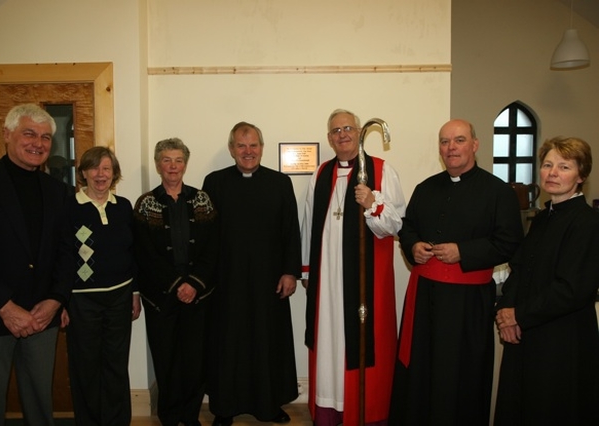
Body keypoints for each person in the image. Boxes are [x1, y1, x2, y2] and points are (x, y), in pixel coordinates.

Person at [391, 118, 524, 425]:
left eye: (459, 140)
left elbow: (510, 243)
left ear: (475, 145)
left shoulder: (498, 192)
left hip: (468, 302)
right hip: (425, 298)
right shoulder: (426, 188)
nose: (451, 148)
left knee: (460, 373)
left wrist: (462, 252)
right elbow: (408, 227)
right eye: (445, 142)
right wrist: (413, 247)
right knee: (421, 369)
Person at [0, 103, 72, 425]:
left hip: (41, 318)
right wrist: (6, 308)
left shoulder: (60, 192)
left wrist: (55, 300)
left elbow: (68, 252)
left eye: (46, 137)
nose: (38, 143)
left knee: (40, 408)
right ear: (7, 135)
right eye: (29, 133)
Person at [300, 109, 406, 425]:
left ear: (359, 131)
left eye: (347, 128)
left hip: (365, 284)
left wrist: (372, 203)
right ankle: (328, 410)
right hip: (326, 283)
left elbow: (397, 225)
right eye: (335, 130)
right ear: (329, 137)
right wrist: (307, 272)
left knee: (361, 340)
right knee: (328, 340)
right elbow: (308, 225)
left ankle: (366, 412)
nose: (342, 134)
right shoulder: (320, 174)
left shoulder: (383, 170)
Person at [494, 136, 599, 425]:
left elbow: (572, 289)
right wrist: (505, 313)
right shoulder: (541, 219)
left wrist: (519, 315)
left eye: (564, 167)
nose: (553, 173)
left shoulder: (588, 223)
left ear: (582, 175)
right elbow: (519, 269)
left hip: (563, 340)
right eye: (548, 165)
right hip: (527, 331)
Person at [202, 122, 301, 426]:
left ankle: (268, 405)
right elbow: (205, 235)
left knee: (266, 341)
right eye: (241, 146)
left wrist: (290, 273)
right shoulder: (214, 182)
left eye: (254, 145)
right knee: (227, 343)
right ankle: (224, 407)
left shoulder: (280, 183)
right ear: (232, 149)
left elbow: (290, 232)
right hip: (226, 280)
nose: (248, 151)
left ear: (262, 147)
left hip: (268, 280)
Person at [134, 138, 218, 426]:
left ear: (185, 164)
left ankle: (190, 415)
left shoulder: (202, 199)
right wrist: (176, 284)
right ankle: (169, 417)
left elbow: (213, 248)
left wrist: (193, 284)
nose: (173, 166)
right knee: (166, 359)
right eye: (167, 160)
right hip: (161, 296)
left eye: (178, 160)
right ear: (158, 165)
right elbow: (144, 253)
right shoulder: (146, 204)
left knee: (195, 361)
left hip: (198, 294)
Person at [61, 146, 141, 425]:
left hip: (120, 297)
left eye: (106, 168)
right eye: (94, 168)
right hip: (82, 301)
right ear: (83, 173)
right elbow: (61, 256)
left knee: (116, 365)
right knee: (85, 368)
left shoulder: (124, 207)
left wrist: (134, 293)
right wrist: (60, 300)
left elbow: (133, 253)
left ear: (114, 173)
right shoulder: (69, 207)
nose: (100, 174)